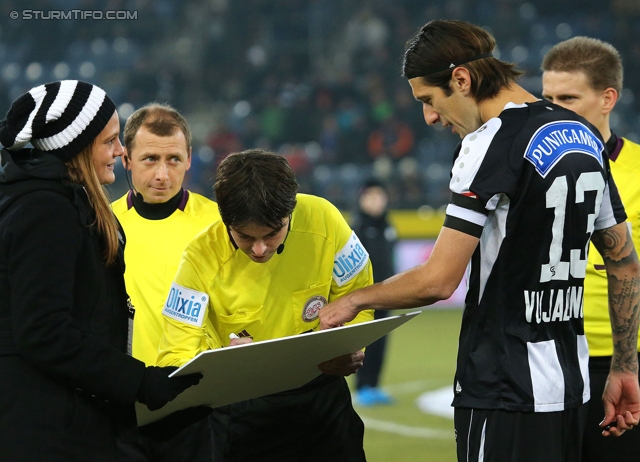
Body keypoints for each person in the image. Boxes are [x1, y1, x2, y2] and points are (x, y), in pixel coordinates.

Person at [319, 20, 640, 462]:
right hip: (572, 387)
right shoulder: (583, 135)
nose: (430, 117)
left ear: (462, 79)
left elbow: (438, 280)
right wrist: (625, 365)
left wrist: (356, 300)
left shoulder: (487, 144)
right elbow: (624, 261)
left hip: (503, 389)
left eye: (428, 100)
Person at [0, 81, 201, 462]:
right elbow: (43, 331)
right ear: (77, 146)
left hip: (60, 419)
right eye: (109, 141)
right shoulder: (46, 211)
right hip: (45, 428)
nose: (120, 151)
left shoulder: (50, 203)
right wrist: (139, 381)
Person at [157, 148, 374, 462]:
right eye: (244, 237)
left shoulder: (324, 220)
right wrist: (218, 364)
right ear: (224, 220)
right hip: (241, 407)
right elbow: (175, 352)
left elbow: (359, 292)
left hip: (322, 399)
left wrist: (353, 344)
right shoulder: (199, 258)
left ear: (291, 210)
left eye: (272, 234)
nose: (259, 249)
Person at [541, 36, 640, 461]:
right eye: (547, 98)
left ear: (607, 98)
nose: (553, 109)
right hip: (544, 359)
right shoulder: (531, 169)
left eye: (568, 97)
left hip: (617, 362)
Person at [112, 103, 221, 461]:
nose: (162, 174)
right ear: (125, 159)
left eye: (173, 159)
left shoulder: (218, 224)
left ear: (189, 158)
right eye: (149, 160)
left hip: (198, 403)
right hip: (124, 402)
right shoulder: (102, 224)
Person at [351, 178, 397, 406]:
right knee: (365, 343)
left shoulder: (389, 227)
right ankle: (361, 387)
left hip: (385, 295)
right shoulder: (356, 228)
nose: (376, 201)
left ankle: (375, 385)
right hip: (364, 297)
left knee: (381, 342)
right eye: (371, 197)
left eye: (379, 196)